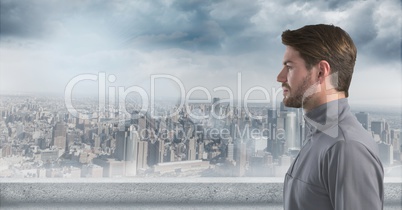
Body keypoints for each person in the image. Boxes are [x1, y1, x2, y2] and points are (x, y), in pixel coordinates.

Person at [277, 24, 384, 210]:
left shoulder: (345, 147)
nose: (280, 77)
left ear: (321, 72)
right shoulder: (322, 137)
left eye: (289, 67)